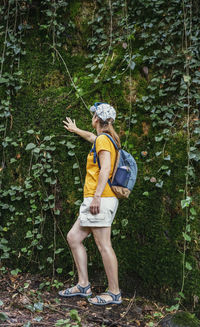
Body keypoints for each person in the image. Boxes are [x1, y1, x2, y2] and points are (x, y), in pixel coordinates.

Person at [59, 102, 122, 305]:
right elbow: (91, 137)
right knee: (74, 237)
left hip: (100, 198)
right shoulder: (105, 139)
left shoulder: (104, 140)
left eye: (93, 115)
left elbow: (105, 169)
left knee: (104, 245)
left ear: (96, 118)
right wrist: (76, 129)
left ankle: (114, 293)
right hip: (97, 198)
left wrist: (95, 197)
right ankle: (83, 284)